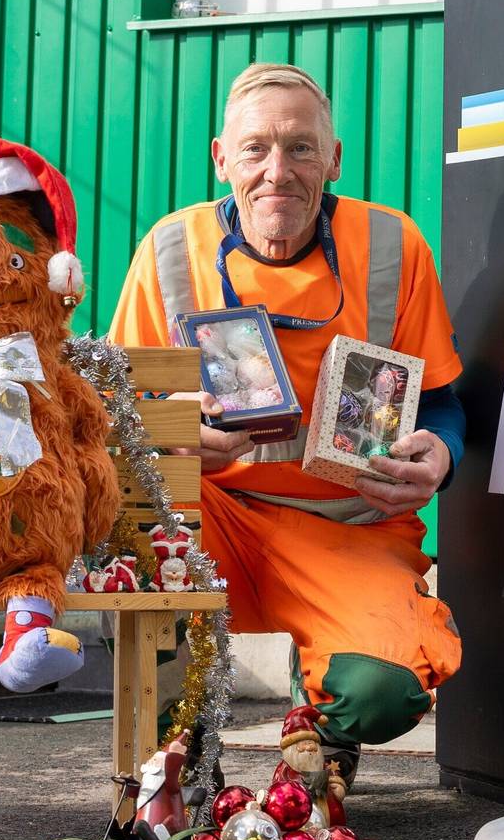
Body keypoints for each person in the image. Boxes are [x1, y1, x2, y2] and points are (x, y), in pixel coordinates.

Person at [109, 62, 466, 782]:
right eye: (256, 149)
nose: (279, 171)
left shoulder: (393, 245)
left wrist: (442, 457)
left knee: (382, 690)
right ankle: (178, 747)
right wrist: (176, 436)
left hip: (346, 527)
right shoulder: (171, 249)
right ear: (221, 158)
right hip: (211, 513)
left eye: (301, 148)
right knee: (132, 533)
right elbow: (118, 416)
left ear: (334, 158)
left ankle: (321, 737)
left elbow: (443, 404)